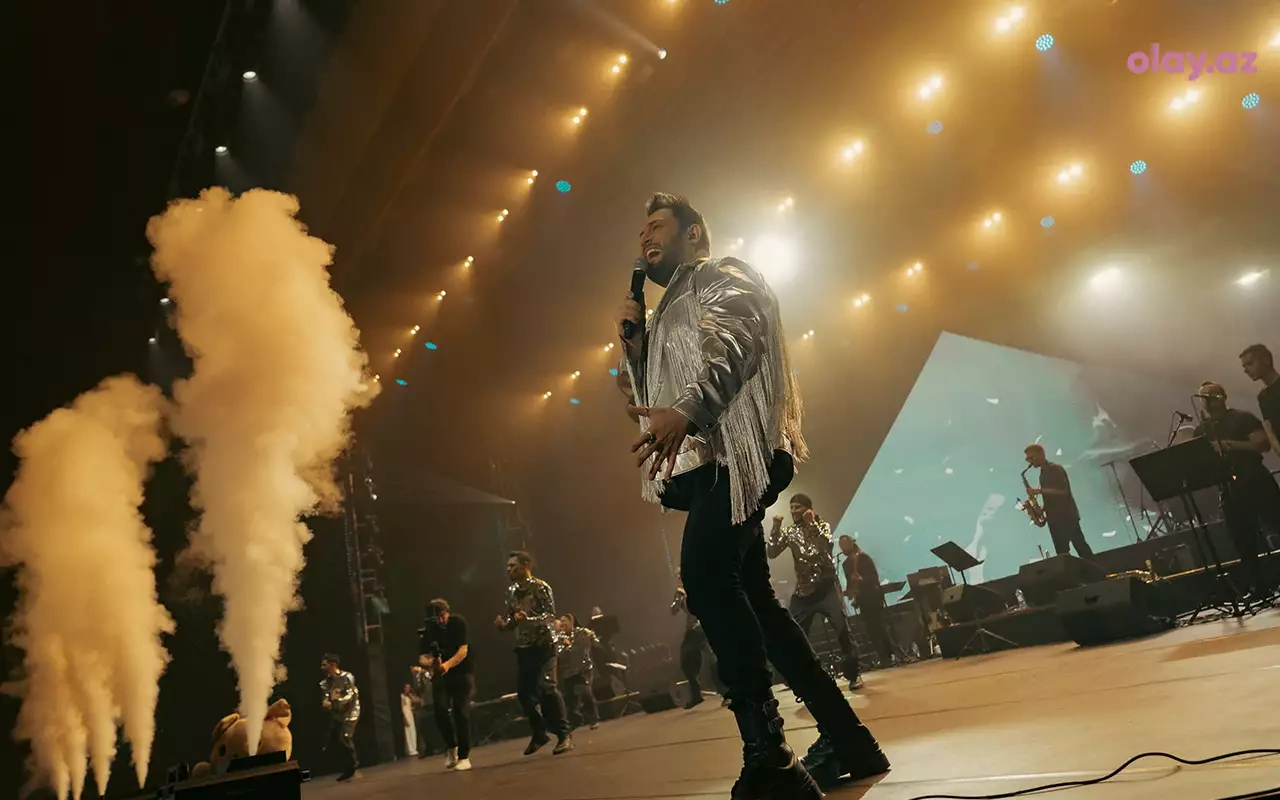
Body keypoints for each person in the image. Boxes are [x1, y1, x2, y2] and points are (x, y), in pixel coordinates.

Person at [614, 192, 888, 797]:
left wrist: (689, 408)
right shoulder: (663, 315)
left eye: (657, 225)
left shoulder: (721, 274)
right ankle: (849, 740)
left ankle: (770, 755)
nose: (645, 238)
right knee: (758, 605)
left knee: (705, 576)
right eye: (641, 232)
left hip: (738, 457)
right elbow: (642, 395)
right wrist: (633, 344)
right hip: (711, 465)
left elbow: (737, 341)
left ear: (693, 234)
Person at [1194, 381, 1280, 591]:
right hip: (1228, 488)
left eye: (1212, 394)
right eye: (1203, 396)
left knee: (1277, 521)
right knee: (1243, 541)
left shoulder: (1242, 418)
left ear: (1223, 396)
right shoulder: (1202, 429)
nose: (1207, 399)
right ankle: (1259, 586)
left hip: (1255, 479)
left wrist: (1227, 445)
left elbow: (1263, 444)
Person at [768, 495, 860, 688]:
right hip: (803, 593)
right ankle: (803, 676)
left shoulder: (822, 525)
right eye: (791, 508)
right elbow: (772, 552)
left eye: (797, 507)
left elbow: (826, 546)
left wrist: (811, 524)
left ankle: (853, 674)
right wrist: (775, 528)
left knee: (842, 630)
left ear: (808, 509)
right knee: (793, 634)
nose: (793, 511)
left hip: (826, 589)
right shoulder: (790, 531)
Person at [494, 551, 573, 755]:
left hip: (544, 645)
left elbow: (550, 617)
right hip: (525, 648)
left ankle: (564, 734)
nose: (509, 569)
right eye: (508, 566)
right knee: (524, 694)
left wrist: (526, 620)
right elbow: (513, 619)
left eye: (513, 566)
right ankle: (539, 733)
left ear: (526, 565)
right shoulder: (511, 592)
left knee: (548, 688)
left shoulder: (541, 587)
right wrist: (504, 625)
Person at [419, 598, 474, 771]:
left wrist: (447, 665)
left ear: (446, 613)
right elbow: (422, 657)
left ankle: (464, 756)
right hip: (441, 675)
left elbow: (463, 650)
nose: (439, 622)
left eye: (441, 617)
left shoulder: (458, 623)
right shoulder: (429, 630)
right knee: (440, 711)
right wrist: (432, 662)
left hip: (461, 672)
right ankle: (451, 747)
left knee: (460, 711)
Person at [1024, 444, 1095, 559]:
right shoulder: (1042, 474)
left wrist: (1038, 491)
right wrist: (1042, 509)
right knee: (1062, 554)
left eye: (1032, 457)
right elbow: (1051, 497)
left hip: (1066, 516)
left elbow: (1063, 491)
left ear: (1042, 454)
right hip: (1054, 519)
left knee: (1081, 548)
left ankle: (1096, 569)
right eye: (1028, 459)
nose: (1030, 462)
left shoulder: (1055, 468)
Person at [839, 536, 892, 667]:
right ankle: (882, 655)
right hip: (862, 599)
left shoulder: (863, 558)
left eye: (845, 544)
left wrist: (862, 580)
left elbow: (874, 577)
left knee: (878, 626)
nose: (843, 547)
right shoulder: (845, 564)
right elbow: (851, 583)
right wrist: (847, 592)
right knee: (871, 629)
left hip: (872, 596)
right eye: (841, 545)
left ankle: (888, 656)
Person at [555, 614, 601, 730]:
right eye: (561, 621)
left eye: (564, 621)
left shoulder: (581, 633)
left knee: (586, 693)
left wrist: (570, 645)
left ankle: (593, 719)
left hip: (583, 669)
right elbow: (559, 654)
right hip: (569, 671)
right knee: (569, 698)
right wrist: (565, 646)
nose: (562, 623)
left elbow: (585, 647)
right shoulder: (559, 638)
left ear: (571, 621)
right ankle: (576, 720)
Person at [319, 653, 359, 782]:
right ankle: (347, 767)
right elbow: (326, 697)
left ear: (333, 665)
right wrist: (326, 702)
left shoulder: (347, 677)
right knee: (334, 740)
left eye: (324, 665)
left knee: (344, 737)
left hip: (350, 712)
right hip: (337, 714)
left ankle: (352, 765)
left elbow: (351, 695)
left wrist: (336, 701)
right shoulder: (325, 683)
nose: (322, 668)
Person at [1241, 344, 1280, 454]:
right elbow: (1270, 430)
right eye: (1244, 366)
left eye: (1249, 364)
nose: (1245, 370)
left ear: (1266, 360)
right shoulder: (1262, 397)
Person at [400, 683, 419, 758]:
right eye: (406, 687)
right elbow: (402, 707)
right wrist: (404, 717)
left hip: (410, 713)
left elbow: (416, 702)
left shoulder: (410, 696)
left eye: (409, 687)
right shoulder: (402, 696)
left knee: (412, 731)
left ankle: (414, 748)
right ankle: (410, 749)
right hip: (406, 713)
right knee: (407, 731)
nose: (407, 689)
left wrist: (411, 696)